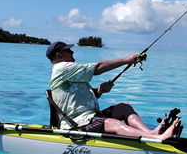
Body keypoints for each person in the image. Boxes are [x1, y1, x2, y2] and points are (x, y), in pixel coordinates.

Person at [46, 41, 179, 140]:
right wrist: (126, 60)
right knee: (113, 123)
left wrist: (99, 90)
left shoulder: (68, 72)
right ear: (59, 55)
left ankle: (151, 133)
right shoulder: (61, 68)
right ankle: (157, 139)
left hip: (91, 118)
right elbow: (97, 68)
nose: (72, 52)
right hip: (77, 125)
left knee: (123, 108)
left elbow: (76, 98)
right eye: (69, 51)